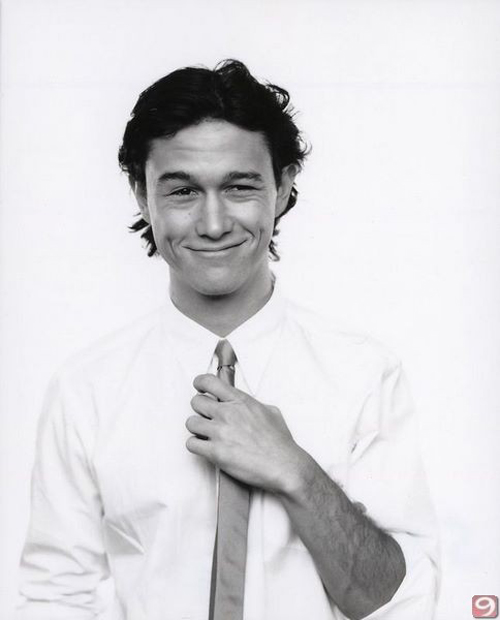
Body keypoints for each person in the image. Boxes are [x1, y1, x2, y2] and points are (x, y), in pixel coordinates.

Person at [15, 60, 439, 620]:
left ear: (283, 186)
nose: (213, 224)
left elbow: (400, 602)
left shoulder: (364, 374)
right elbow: (55, 599)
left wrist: (295, 470)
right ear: (141, 194)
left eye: (239, 187)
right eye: (183, 190)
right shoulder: (86, 389)